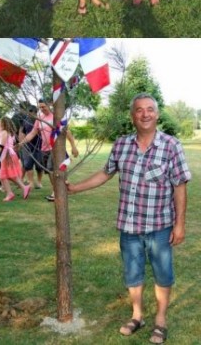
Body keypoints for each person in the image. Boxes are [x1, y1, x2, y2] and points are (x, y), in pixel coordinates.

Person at [66, 94, 190, 345]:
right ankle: (137, 316)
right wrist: (75, 188)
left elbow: (180, 187)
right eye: (139, 110)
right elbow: (105, 174)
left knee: (162, 274)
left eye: (150, 110)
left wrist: (179, 224)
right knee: (132, 274)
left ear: (157, 114)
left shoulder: (171, 145)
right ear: (132, 115)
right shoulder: (121, 145)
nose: (145, 114)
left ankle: (161, 320)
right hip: (129, 226)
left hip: (159, 226)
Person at [21, 99, 79, 202]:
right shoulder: (40, 119)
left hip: (56, 148)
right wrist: (21, 143)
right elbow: (32, 133)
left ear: (50, 105)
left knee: (52, 170)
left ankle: (57, 193)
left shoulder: (56, 118)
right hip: (44, 149)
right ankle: (58, 190)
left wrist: (73, 147)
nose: (41, 109)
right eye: (40, 107)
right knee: (50, 172)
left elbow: (67, 132)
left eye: (43, 107)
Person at [0, 118, 31, 201]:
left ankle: (10, 193)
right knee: (8, 175)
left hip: (7, 155)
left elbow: (1, 145)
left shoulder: (4, 132)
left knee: (3, 176)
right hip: (11, 154)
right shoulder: (10, 133)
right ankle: (22, 188)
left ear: (3, 124)